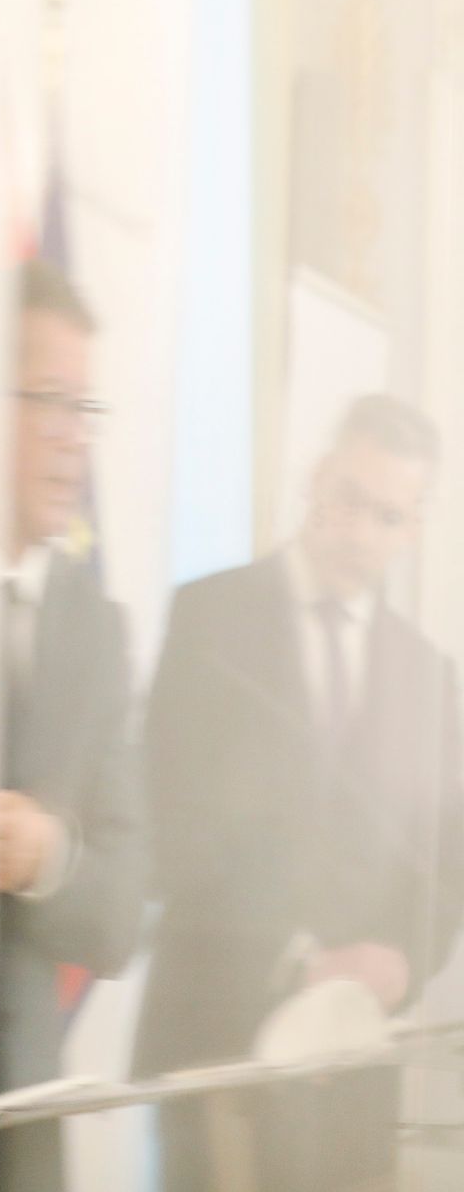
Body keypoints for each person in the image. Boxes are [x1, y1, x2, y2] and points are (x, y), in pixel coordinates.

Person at [134, 393, 464, 1190]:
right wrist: (299, 958)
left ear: (413, 527)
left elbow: (444, 859)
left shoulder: (429, 676)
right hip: (219, 1038)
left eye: (387, 515)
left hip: (351, 1065)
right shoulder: (209, 614)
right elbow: (173, 824)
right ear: (319, 478)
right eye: (349, 497)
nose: (359, 530)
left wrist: (399, 961)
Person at [0, 259, 144, 1190]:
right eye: (50, 398)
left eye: (88, 409)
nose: (73, 440)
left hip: (17, 1130)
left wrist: (48, 854)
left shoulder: (95, 627)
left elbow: (123, 913)